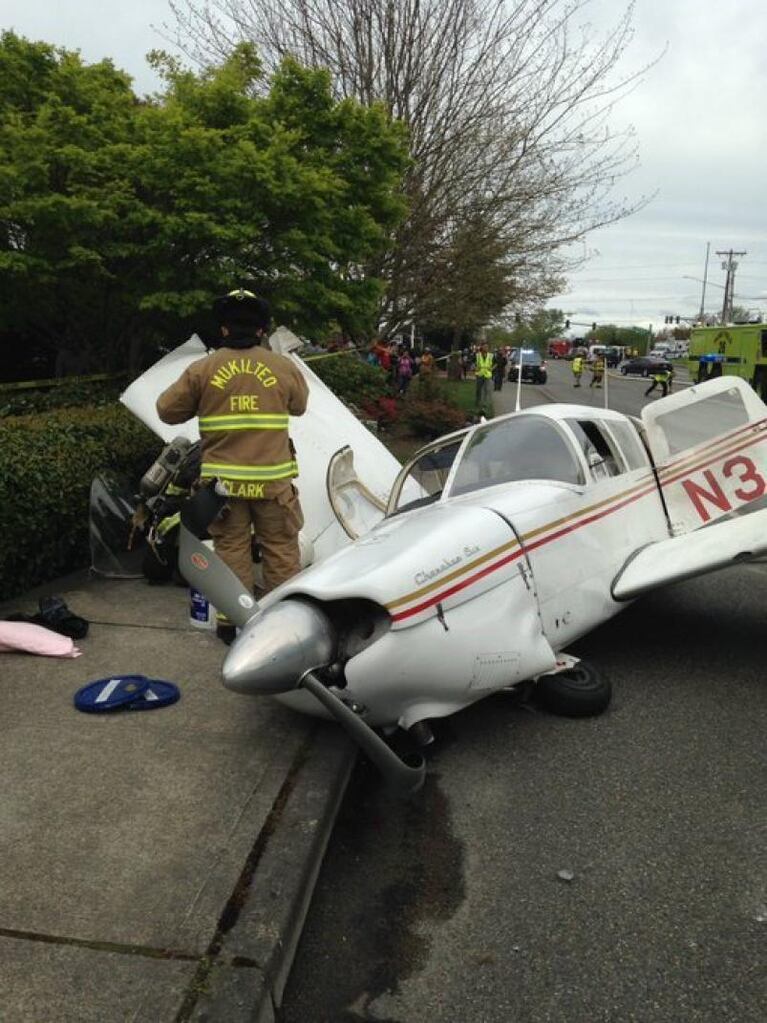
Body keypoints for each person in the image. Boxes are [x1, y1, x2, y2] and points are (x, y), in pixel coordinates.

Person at [156, 289, 309, 644]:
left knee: (231, 551)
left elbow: (167, 409)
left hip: (222, 488)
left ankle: (232, 623)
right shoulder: (282, 367)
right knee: (281, 550)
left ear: (223, 330)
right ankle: (287, 626)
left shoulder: (203, 369)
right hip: (273, 484)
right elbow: (299, 407)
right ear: (261, 331)